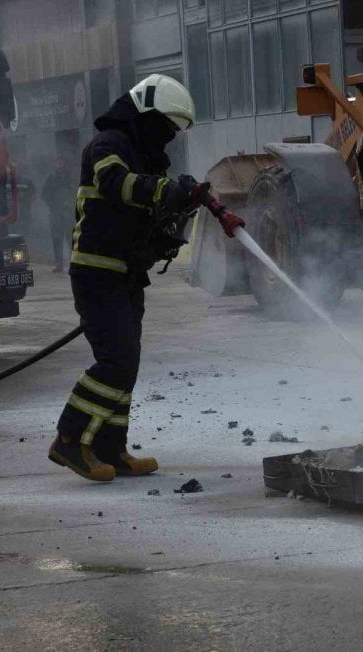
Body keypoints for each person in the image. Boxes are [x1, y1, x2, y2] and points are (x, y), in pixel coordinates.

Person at [48, 74, 245, 482]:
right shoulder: (108, 146)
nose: (169, 138)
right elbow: (117, 184)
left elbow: (141, 211)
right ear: (146, 114)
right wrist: (166, 193)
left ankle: (110, 448)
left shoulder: (143, 155)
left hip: (126, 275)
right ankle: (69, 440)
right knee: (115, 360)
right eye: (167, 128)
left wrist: (165, 231)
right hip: (96, 273)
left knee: (127, 364)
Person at [41, 154, 77, 272]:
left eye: (63, 162)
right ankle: (59, 264)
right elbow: (44, 194)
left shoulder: (72, 178)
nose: (60, 165)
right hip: (55, 214)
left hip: (69, 214)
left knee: (71, 239)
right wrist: (53, 204)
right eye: (58, 162)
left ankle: (74, 263)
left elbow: (77, 193)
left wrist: (71, 204)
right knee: (57, 239)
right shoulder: (51, 178)